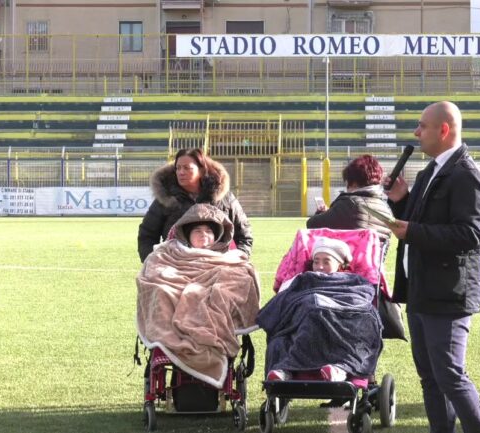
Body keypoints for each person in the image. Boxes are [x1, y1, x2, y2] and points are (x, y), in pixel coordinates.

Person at [383, 101, 480, 433]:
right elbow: (417, 220)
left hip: (448, 292)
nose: (416, 132)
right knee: (430, 376)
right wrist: (402, 199)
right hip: (421, 288)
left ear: (444, 130)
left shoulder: (466, 176)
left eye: (422, 126)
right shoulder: (429, 171)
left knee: (449, 374)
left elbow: (471, 234)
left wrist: (413, 231)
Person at [136, 204, 260, 388]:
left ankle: (207, 339)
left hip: (213, 299)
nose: (204, 234)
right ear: (186, 233)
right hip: (174, 293)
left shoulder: (231, 258)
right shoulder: (166, 252)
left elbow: (241, 281)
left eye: (209, 230)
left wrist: (211, 291)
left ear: (218, 234)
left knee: (222, 294)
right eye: (198, 230)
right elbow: (153, 274)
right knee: (162, 291)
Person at [258, 237, 382, 383]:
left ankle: (340, 369)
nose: (320, 267)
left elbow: (361, 301)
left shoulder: (356, 281)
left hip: (343, 326)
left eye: (326, 261)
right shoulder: (303, 279)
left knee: (327, 313)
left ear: (340, 265)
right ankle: (285, 370)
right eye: (316, 261)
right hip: (305, 323)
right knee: (301, 321)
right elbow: (284, 300)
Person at [137, 148, 253, 263]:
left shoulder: (225, 198)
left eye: (187, 168)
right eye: (178, 168)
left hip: (218, 269)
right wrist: (154, 262)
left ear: (202, 170)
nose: (181, 172)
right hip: (177, 270)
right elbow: (147, 235)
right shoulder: (166, 199)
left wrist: (239, 259)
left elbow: (244, 234)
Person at [306, 155, 394, 245]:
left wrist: (321, 213)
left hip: (350, 257)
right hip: (373, 258)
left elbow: (312, 225)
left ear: (353, 182)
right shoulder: (386, 208)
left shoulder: (350, 204)